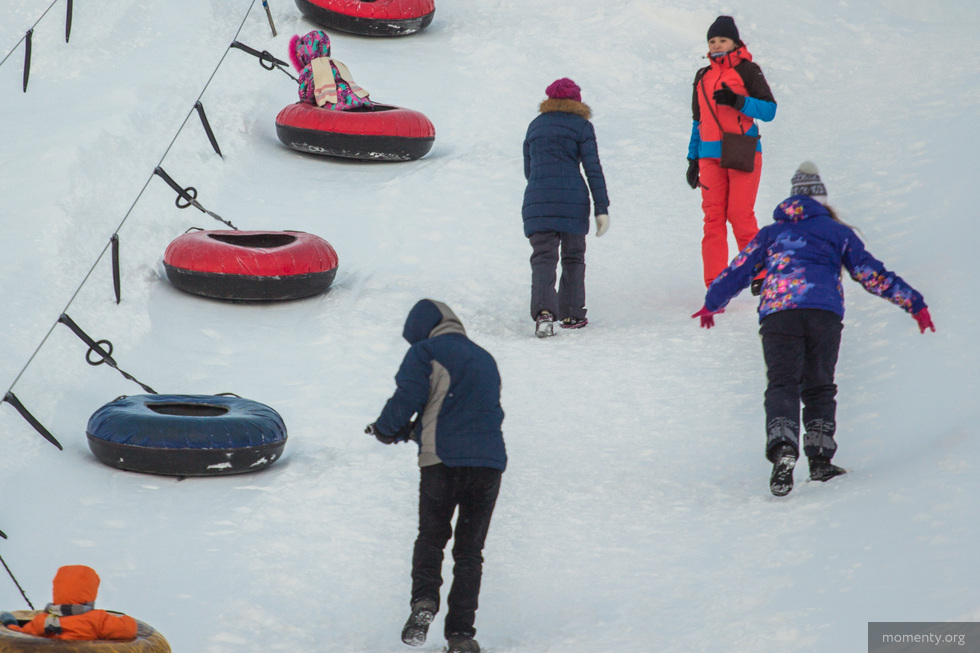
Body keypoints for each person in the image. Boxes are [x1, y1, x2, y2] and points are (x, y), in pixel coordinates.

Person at [691, 162, 935, 497]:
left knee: (782, 383)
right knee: (819, 387)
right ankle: (820, 460)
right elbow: (871, 274)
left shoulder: (772, 234)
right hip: (823, 314)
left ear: (793, 200)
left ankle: (783, 448)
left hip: (779, 315)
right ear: (821, 199)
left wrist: (713, 302)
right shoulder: (837, 233)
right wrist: (914, 304)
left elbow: (740, 268)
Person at [365, 299, 506, 653]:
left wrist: (385, 429)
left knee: (431, 538)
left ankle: (425, 602)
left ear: (422, 330)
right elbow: (460, 412)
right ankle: (461, 636)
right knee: (470, 552)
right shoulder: (484, 357)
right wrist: (412, 431)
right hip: (488, 465)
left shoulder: (426, 352)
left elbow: (409, 397)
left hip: (442, 462)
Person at [686, 16, 776, 293]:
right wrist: (692, 160)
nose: (716, 45)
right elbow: (697, 121)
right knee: (713, 218)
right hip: (709, 155)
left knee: (739, 214)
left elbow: (769, 111)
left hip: (741, 149)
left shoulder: (748, 70)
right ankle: (716, 283)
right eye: (711, 41)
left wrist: (739, 102)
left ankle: (761, 270)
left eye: (721, 40)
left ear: (735, 42)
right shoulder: (703, 76)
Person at [522, 78, 610, 338]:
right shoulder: (582, 126)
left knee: (543, 258)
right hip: (574, 200)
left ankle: (544, 314)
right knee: (573, 257)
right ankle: (571, 313)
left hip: (537, 199)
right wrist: (601, 208)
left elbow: (529, 169)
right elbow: (593, 169)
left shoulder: (534, 126)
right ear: (577, 101)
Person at [0, 565, 137, 641]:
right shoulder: (98, 620)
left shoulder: (43, 621)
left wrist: (10, 623)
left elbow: (22, 635)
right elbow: (129, 628)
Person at [288, 30, 372, 110]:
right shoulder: (337, 64)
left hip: (336, 108)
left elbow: (306, 98)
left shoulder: (309, 69)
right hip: (359, 101)